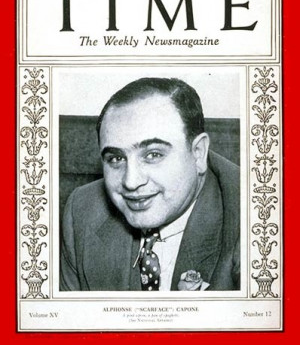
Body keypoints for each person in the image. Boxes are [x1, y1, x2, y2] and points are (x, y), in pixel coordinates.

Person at [60, 77, 240, 291]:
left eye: (153, 154)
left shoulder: (255, 219)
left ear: (198, 153)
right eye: (116, 159)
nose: (131, 182)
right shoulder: (82, 212)